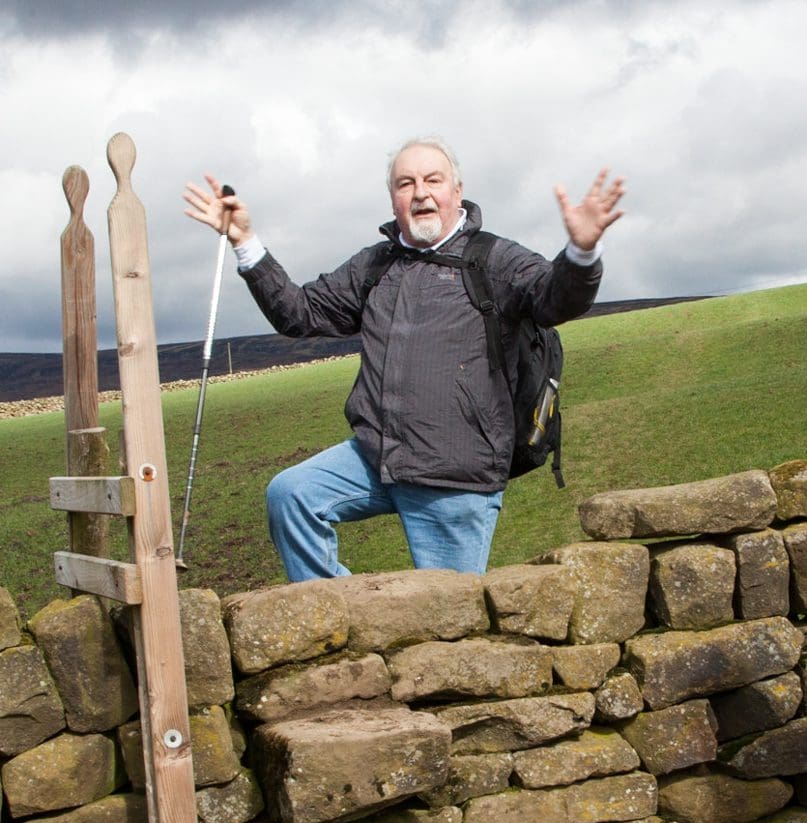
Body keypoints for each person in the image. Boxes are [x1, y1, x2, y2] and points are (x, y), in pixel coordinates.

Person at [183, 137, 624, 581]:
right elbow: (300, 313)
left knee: (446, 613)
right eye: (405, 183)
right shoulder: (375, 266)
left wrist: (581, 254)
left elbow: (555, 299)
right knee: (292, 495)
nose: (420, 193)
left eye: (433, 180)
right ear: (393, 198)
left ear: (457, 190)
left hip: (454, 477)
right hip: (375, 458)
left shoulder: (494, 260)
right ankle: (341, 611)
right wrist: (245, 242)